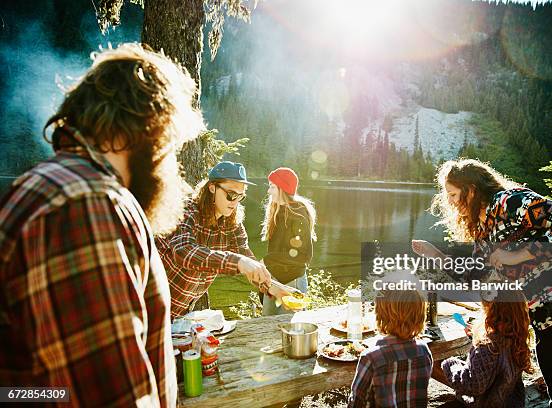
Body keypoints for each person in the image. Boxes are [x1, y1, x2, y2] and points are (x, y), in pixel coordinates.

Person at [0, 43, 203, 406]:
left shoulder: (53, 187)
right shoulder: (87, 205)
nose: (169, 163)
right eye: (167, 145)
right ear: (142, 130)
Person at [412, 158, 552, 408]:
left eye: (453, 194)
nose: (450, 202)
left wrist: (519, 254)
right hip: (544, 320)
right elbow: (478, 276)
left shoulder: (510, 202)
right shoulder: (482, 230)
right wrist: (438, 257)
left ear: (471, 189)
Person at [156, 161, 276, 318]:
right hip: (147, 303)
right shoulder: (186, 210)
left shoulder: (232, 223)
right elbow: (184, 252)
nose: (235, 202)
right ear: (212, 187)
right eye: (231, 194)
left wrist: (273, 287)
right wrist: (238, 262)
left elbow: (248, 260)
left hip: (177, 312)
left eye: (240, 196)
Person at [433, 291, 532, 408]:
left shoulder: (487, 346)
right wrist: (475, 337)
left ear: (491, 313)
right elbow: (493, 365)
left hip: (485, 404)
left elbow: (473, 384)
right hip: (510, 403)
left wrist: (449, 364)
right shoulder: (516, 338)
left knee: (435, 365)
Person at [348, 289, 433, 408]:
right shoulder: (424, 351)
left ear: (380, 314)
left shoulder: (370, 358)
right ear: (420, 315)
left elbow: (356, 403)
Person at [261, 167, 316, 315]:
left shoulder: (298, 215)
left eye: (272, 187)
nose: (268, 191)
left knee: (290, 330)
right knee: (266, 325)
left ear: (282, 189)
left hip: (293, 280)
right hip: (273, 279)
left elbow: (303, 256)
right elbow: (275, 249)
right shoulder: (277, 211)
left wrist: (267, 260)